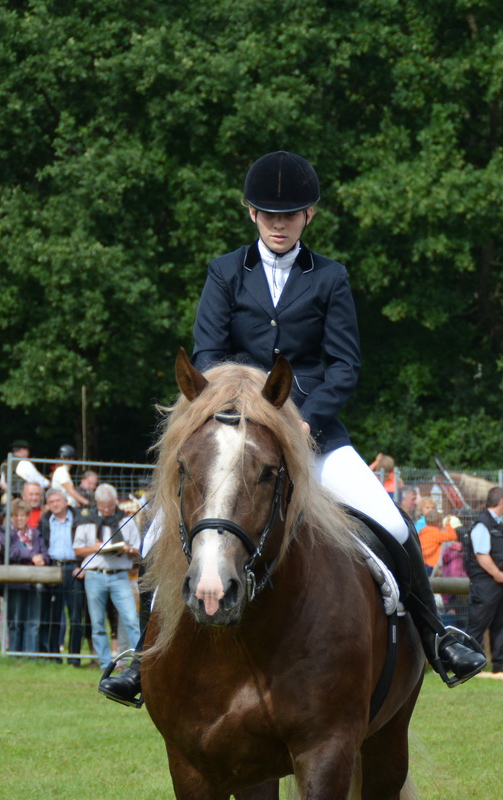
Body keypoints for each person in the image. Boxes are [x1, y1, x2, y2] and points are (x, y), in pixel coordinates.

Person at [100, 150, 483, 706]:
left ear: (310, 216)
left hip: (313, 434)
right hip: (236, 430)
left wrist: (306, 418)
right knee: (159, 532)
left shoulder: (330, 277)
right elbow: (208, 352)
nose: (280, 224)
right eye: (269, 214)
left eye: (291, 214)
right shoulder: (225, 272)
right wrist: (246, 406)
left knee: (393, 523)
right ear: (251, 213)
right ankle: (142, 657)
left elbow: (344, 363)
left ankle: (437, 636)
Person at [75, 483, 143, 671]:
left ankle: (137, 663)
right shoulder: (86, 520)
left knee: (130, 618)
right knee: (97, 622)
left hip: (120, 576)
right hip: (95, 576)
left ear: (116, 502)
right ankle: (105, 663)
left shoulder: (126, 521)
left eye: (110, 506)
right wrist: (95, 548)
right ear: (97, 503)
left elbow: (138, 550)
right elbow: (78, 549)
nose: (106, 510)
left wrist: (127, 550)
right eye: (102, 506)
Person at [467, 487, 503, 673]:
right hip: (485, 584)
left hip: (500, 583)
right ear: (502, 502)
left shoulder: (496, 524)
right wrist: (499, 575)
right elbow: (482, 556)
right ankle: (470, 665)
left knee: (500, 623)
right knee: (478, 624)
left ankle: (500, 664)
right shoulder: (483, 524)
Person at [35, 487, 86, 663]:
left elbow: (87, 543)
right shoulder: (44, 521)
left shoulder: (79, 519)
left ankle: (74, 657)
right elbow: (40, 545)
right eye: (51, 502)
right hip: (53, 569)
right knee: (52, 615)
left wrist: (82, 565)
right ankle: (53, 656)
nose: (55, 505)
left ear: (66, 502)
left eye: (58, 501)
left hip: (74, 569)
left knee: (76, 616)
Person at [2, 497, 45, 655]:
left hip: (34, 584)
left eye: (23, 515)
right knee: (15, 621)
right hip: (15, 583)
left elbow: (44, 553)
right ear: (11, 517)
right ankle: (14, 653)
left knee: (33, 622)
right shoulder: (6, 532)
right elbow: (11, 552)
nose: (19, 519)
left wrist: (41, 559)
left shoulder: (36, 534)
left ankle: (31, 655)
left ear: (28, 516)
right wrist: (33, 556)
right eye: (16, 516)